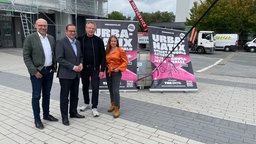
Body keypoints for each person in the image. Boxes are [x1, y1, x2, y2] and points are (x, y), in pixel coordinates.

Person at [23, 18, 58, 129]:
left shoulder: (51, 38)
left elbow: (54, 53)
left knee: (47, 94)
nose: (43, 27)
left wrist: (54, 67)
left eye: (45, 25)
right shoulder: (30, 38)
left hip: (49, 71)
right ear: (35, 26)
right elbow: (26, 56)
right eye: (40, 25)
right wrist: (34, 71)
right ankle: (37, 119)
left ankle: (46, 115)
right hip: (37, 72)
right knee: (36, 96)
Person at [56, 24, 85, 126]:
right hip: (65, 75)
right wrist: (73, 67)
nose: (72, 33)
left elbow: (81, 56)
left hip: (76, 75)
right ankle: (64, 117)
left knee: (74, 95)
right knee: (64, 97)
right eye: (70, 31)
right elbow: (59, 58)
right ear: (66, 31)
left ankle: (73, 112)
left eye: (74, 31)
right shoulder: (61, 42)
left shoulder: (77, 42)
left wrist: (81, 64)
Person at [77, 21, 106, 117]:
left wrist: (102, 70)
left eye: (93, 28)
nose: (91, 30)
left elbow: (103, 56)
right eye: (89, 28)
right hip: (84, 68)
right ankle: (86, 103)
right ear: (86, 28)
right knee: (85, 86)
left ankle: (94, 107)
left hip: (95, 69)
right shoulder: (80, 39)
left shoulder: (99, 40)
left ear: (95, 30)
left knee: (95, 88)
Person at [105, 35, 128, 118]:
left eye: (115, 41)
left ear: (117, 42)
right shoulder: (107, 50)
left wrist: (118, 68)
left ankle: (117, 108)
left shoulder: (120, 50)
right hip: (108, 72)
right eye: (112, 41)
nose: (113, 42)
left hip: (116, 72)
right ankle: (112, 104)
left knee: (115, 90)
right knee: (110, 89)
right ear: (109, 42)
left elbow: (125, 62)